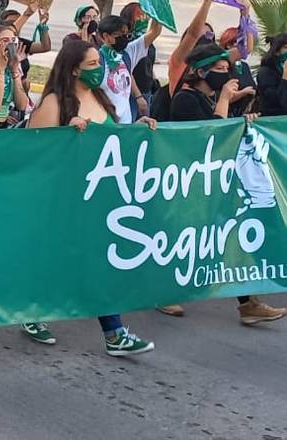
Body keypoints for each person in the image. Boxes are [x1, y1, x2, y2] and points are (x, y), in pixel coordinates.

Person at [20, 39, 156, 355]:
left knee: (93, 261)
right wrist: (67, 134)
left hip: (98, 198)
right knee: (65, 260)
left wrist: (138, 128)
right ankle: (37, 311)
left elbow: (113, 141)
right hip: (63, 199)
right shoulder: (54, 102)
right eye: (93, 64)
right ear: (74, 68)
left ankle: (113, 333)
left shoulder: (99, 96)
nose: (100, 69)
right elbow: (34, 151)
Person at [165, 42, 285, 325]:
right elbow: (210, 139)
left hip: (211, 183)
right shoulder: (185, 99)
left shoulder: (204, 99)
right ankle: (163, 292)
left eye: (225, 69)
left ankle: (248, 303)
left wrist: (243, 120)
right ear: (200, 72)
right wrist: (225, 101)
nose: (225, 74)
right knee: (184, 240)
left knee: (225, 238)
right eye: (218, 70)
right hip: (189, 183)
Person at [94, 14, 162, 124]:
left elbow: (155, 31)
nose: (124, 38)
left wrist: (156, 7)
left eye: (126, 34)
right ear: (105, 37)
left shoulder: (127, 53)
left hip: (126, 127)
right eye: (119, 35)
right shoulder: (96, 61)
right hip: (105, 127)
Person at [256, 33, 287, 116]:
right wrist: (285, 78)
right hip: (273, 122)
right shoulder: (265, 72)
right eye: (286, 48)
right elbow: (278, 102)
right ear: (276, 51)